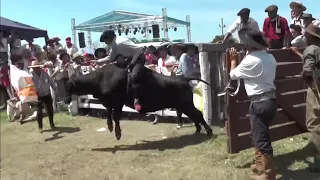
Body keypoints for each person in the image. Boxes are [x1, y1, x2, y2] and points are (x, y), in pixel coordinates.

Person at [229, 28, 277, 179]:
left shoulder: (250, 61)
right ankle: (260, 163)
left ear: (249, 45)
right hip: (270, 101)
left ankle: (268, 174)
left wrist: (233, 60)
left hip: (259, 103)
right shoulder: (270, 57)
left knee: (261, 138)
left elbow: (233, 74)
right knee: (258, 134)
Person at [290, 24, 320, 172]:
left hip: (316, 90)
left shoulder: (310, 49)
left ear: (310, 36)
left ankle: (319, 160)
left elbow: (308, 69)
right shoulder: (317, 49)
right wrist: (298, 54)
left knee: (314, 124)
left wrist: (300, 76)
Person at [92, 30, 144, 111]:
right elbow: (111, 58)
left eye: (105, 40)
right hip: (130, 59)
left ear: (109, 38)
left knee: (134, 76)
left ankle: (137, 99)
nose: (105, 43)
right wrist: (98, 61)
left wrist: (132, 63)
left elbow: (138, 50)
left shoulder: (120, 42)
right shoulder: (115, 45)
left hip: (138, 58)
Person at [29, 59, 57, 133]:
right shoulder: (30, 75)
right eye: (34, 67)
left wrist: (54, 88)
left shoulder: (44, 73)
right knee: (39, 112)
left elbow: (50, 80)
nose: (36, 68)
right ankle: (40, 127)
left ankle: (52, 123)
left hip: (47, 94)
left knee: (50, 110)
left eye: (37, 67)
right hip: (38, 96)